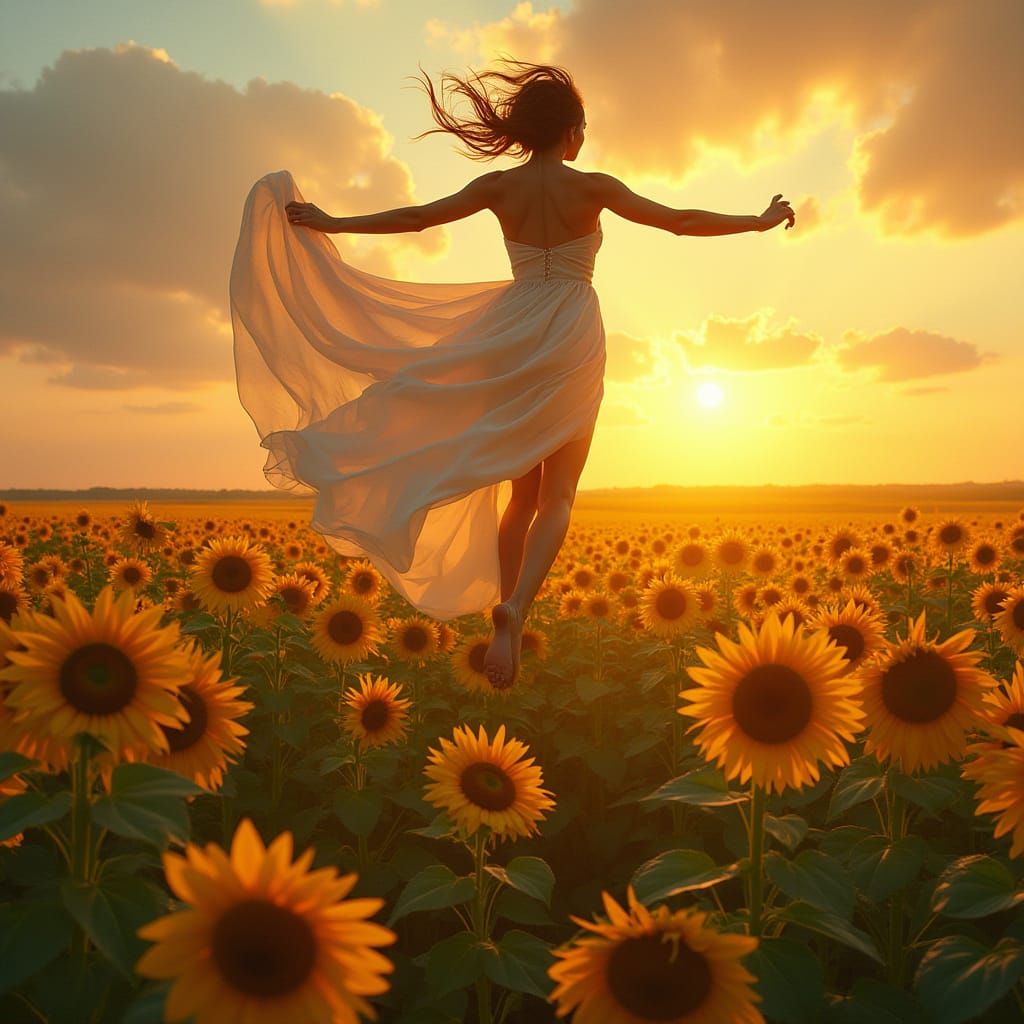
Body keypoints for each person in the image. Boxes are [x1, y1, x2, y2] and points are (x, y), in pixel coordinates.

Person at [230, 58, 794, 690]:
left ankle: (503, 597)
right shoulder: (595, 186)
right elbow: (679, 221)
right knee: (560, 495)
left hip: (513, 333)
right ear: (571, 130)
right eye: (584, 125)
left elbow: (416, 219)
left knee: (522, 492)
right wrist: (757, 221)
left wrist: (333, 223)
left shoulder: (499, 188)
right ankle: (517, 604)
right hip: (572, 328)